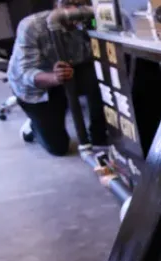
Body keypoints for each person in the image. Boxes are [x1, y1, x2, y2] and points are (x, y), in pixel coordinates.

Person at [8, 0, 107, 156]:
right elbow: (25, 72)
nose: (74, 10)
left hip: (70, 72)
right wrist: (54, 78)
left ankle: (99, 134)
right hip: (37, 88)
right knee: (58, 148)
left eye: (80, 4)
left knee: (102, 75)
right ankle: (34, 126)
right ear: (56, 6)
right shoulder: (33, 25)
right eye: (68, 4)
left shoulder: (89, 21)